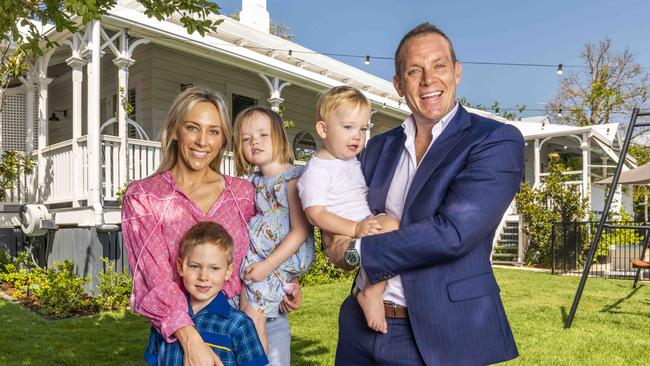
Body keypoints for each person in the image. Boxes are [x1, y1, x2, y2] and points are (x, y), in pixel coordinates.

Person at [324, 23, 522, 365]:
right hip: (360, 326)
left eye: (439, 66)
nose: (428, 80)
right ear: (399, 85)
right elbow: (344, 207)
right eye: (415, 71)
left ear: (457, 72)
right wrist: (334, 238)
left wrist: (357, 250)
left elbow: (452, 233)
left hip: (439, 336)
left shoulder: (494, 140)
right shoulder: (377, 147)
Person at [122, 86, 300, 366]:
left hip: (252, 318)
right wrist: (190, 339)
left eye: (214, 131)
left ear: (223, 141)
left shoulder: (242, 193)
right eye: (193, 128)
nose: (202, 141)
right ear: (174, 130)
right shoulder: (145, 196)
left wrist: (287, 281)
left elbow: (269, 240)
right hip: (183, 329)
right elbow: (152, 278)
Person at [296, 85, 399, 334]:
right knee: (374, 242)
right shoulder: (317, 170)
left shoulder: (351, 161)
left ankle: (367, 283)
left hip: (365, 222)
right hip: (342, 230)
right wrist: (354, 228)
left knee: (393, 225)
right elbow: (316, 214)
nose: (357, 136)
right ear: (323, 129)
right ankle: (372, 293)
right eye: (348, 127)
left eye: (363, 129)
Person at [232, 106, 314, 359]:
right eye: (246, 139)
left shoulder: (291, 179)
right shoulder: (254, 182)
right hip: (260, 259)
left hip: (275, 261)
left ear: (279, 136)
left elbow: (300, 232)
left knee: (253, 319)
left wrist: (267, 267)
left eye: (262, 135)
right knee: (247, 317)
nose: (254, 142)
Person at [144, 221, 268, 366]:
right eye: (195, 266)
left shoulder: (239, 324)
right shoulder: (166, 318)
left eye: (214, 268)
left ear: (228, 271)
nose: (203, 276)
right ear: (180, 267)